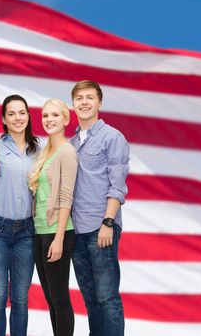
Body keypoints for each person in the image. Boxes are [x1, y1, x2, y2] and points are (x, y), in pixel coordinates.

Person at [70, 80, 130, 336]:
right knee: (91, 301)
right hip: (76, 231)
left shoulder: (112, 137)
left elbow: (117, 185)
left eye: (89, 97)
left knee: (108, 299)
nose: (84, 102)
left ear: (99, 102)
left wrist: (108, 223)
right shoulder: (70, 143)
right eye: (79, 98)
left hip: (101, 227)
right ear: (73, 104)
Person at [0, 95, 39, 336]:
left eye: (22, 113)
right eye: (12, 114)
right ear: (4, 119)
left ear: (28, 116)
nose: (18, 118)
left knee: (20, 298)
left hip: (27, 233)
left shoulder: (39, 150)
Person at [29, 98, 78, 336]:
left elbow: (66, 197)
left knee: (59, 297)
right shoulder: (45, 151)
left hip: (57, 232)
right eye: (46, 116)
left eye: (55, 115)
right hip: (39, 232)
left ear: (66, 119)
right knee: (50, 297)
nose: (49, 120)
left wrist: (58, 239)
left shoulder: (67, 152)